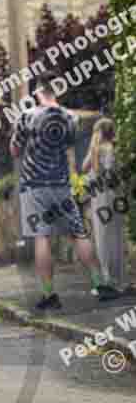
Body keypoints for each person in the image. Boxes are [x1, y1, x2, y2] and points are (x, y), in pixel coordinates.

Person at [10, 76, 119, 309]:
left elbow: (15, 149)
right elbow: (69, 145)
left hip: (34, 185)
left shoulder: (27, 117)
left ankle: (49, 295)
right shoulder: (71, 118)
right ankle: (100, 284)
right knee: (78, 233)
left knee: (42, 237)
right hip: (61, 184)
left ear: (38, 92)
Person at [82, 117, 126, 293]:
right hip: (112, 196)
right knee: (115, 237)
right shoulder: (108, 149)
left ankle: (109, 281)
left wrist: (93, 149)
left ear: (98, 133)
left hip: (102, 197)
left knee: (103, 238)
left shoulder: (100, 149)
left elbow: (88, 168)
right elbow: (106, 171)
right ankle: (116, 280)